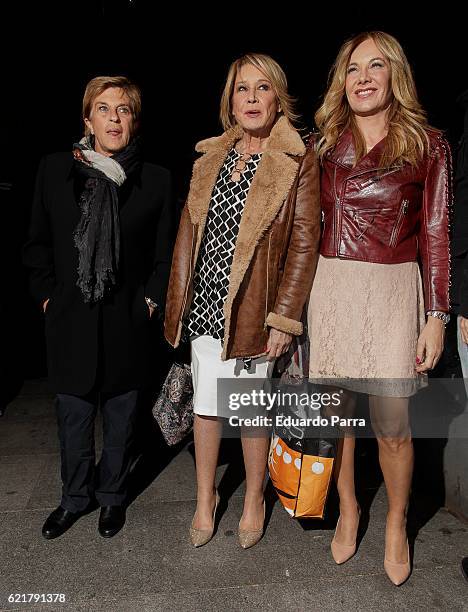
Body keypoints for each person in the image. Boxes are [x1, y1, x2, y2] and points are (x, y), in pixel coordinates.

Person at [309, 32, 451, 585]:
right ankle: (349, 508)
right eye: (352, 68)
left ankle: (396, 523)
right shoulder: (323, 145)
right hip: (334, 284)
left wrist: (435, 314)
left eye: (376, 65)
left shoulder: (428, 143)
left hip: (395, 288)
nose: (363, 76)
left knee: (392, 424)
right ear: (341, 82)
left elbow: (437, 233)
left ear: (396, 75)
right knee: (341, 417)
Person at [165, 53, 321, 548]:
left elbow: (303, 244)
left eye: (262, 88)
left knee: (252, 408)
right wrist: (176, 301)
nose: (251, 98)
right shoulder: (210, 156)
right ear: (229, 101)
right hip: (206, 302)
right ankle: (205, 498)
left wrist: (285, 317)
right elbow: (190, 235)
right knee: (207, 406)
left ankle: (254, 497)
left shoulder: (298, 160)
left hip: (256, 306)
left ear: (279, 98)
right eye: (241, 89)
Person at [23, 76, 174, 539]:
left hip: (125, 321)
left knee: (121, 418)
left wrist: (149, 301)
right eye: (104, 108)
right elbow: (36, 244)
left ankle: (111, 498)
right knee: (73, 418)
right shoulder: (53, 170)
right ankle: (73, 499)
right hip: (69, 320)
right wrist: (48, 295)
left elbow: (164, 255)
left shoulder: (156, 179)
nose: (114, 117)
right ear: (87, 119)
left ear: (133, 120)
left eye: (123, 109)